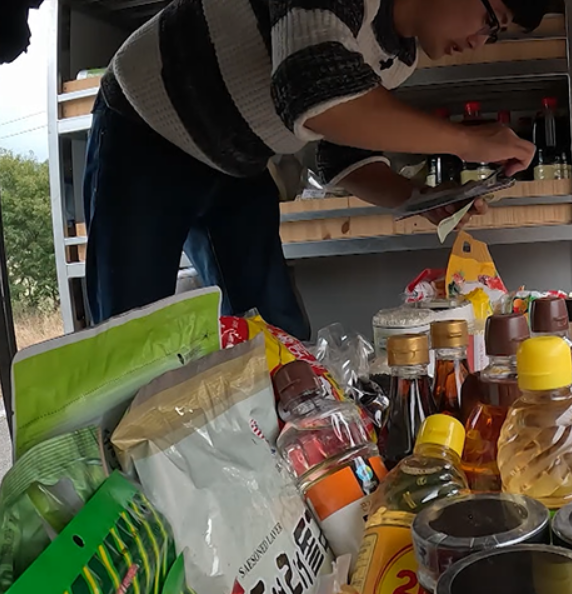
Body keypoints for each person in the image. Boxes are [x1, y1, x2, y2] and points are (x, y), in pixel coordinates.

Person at [84, 0, 542, 341]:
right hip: (146, 129)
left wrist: (425, 202)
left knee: (279, 331)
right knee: (130, 335)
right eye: (490, 18)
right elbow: (312, 91)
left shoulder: (399, 58)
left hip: (236, 160)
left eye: (494, 34)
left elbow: (340, 159)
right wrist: (469, 141)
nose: (479, 42)